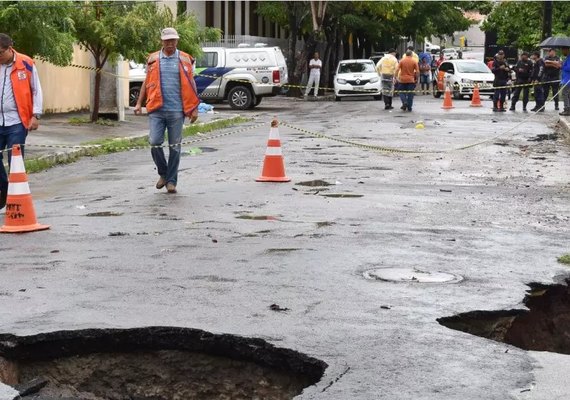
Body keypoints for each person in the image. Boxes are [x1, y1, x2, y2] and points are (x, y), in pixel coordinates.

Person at [134, 27, 199, 194]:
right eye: (167, 40)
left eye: (173, 40)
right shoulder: (153, 59)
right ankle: (163, 173)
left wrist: (194, 109)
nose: (170, 43)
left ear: (177, 41)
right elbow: (146, 82)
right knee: (155, 142)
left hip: (177, 111)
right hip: (156, 109)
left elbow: (192, 85)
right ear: (162, 41)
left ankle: (171, 181)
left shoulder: (185, 59)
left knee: (175, 147)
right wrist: (138, 103)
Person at [0, 33, 42, 210]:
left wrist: (36, 115)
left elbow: (36, 90)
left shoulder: (26, 63)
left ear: (10, 48)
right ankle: (5, 189)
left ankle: (17, 202)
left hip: (17, 121)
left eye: (0, 53)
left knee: (15, 161)